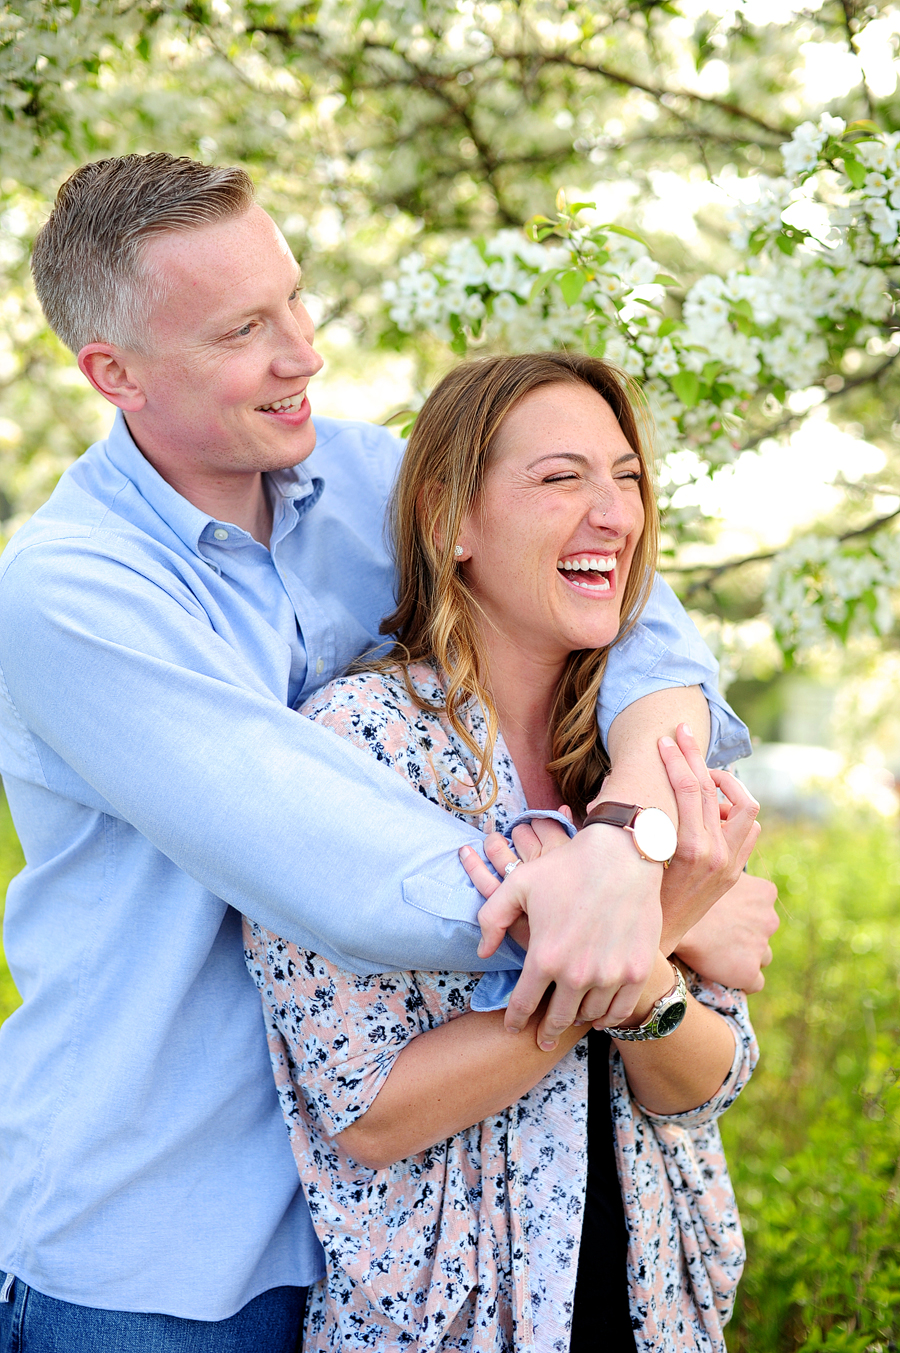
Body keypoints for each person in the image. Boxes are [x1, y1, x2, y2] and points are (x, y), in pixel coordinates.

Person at [0, 154, 772, 1352]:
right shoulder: (70, 594)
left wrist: (633, 840)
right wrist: (660, 910)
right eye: (242, 329)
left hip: (404, 1241)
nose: (302, 351)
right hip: (165, 1239)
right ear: (115, 375)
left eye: (295, 299)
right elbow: (332, 863)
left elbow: (641, 626)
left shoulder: (368, 480)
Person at [244, 353, 773, 1353]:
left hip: (653, 1308)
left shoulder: (651, 762)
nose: (614, 513)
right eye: (561, 477)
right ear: (454, 519)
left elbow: (709, 1078)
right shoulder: (355, 746)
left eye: (626, 478)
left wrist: (641, 977)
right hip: (450, 1320)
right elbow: (371, 1115)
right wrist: (659, 932)